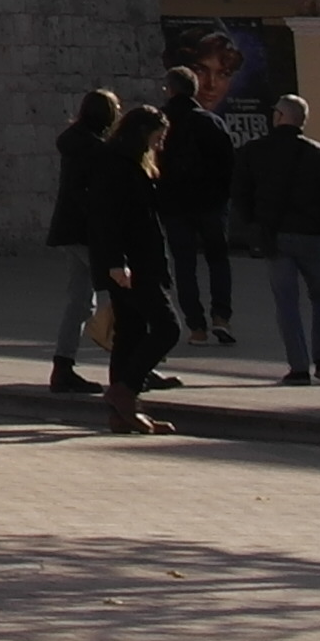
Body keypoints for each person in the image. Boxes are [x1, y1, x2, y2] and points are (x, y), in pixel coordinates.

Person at [234, 93, 320, 386]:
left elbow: (241, 194)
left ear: (279, 117)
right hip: (315, 237)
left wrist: (254, 230)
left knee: (286, 302)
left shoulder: (255, 151)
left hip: (276, 237)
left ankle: (298, 367)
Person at [86, 102, 182, 434]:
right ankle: (125, 390)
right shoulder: (116, 165)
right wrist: (116, 262)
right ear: (142, 133)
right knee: (168, 328)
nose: (159, 145)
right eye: (157, 137)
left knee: (130, 333)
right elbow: (106, 218)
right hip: (131, 265)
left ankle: (121, 412)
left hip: (138, 262)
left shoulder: (129, 164)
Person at [38, 88, 129, 398]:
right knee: (121, 292)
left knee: (79, 299)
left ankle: (63, 366)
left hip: (70, 231)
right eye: (116, 108)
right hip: (90, 233)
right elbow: (95, 197)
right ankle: (134, 366)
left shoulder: (75, 143)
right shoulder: (96, 149)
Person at [161, 37, 247, 348]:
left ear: (170, 90)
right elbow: (228, 164)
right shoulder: (211, 122)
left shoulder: (159, 121)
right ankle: (221, 317)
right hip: (211, 203)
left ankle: (195, 326)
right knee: (217, 259)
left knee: (184, 264)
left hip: (173, 205)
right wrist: (223, 196)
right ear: (194, 90)